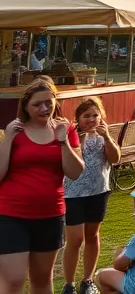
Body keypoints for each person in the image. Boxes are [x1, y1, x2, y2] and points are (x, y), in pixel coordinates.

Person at [0, 77, 85, 294]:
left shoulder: (66, 130)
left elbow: (75, 172)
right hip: (11, 214)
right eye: (37, 104)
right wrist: (8, 139)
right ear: (26, 106)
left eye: (49, 102)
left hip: (49, 215)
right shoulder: (15, 131)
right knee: (14, 279)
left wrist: (62, 140)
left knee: (41, 279)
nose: (45, 108)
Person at [63, 98, 121, 294]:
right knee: (75, 239)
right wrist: (76, 140)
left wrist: (107, 138)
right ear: (77, 118)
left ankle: (87, 280)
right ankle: (69, 284)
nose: (91, 119)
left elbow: (114, 159)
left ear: (101, 117)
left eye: (95, 115)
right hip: (73, 193)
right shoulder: (71, 135)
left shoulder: (104, 136)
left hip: (98, 192)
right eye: (86, 115)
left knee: (93, 235)